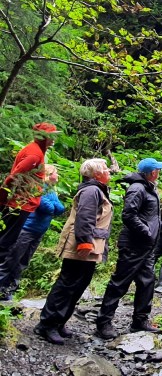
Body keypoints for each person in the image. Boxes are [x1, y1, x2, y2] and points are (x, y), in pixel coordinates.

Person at [34, 158, 113, 345]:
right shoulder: (91, 190)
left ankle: (59, 322)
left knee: (78, 284)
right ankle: (47, 325)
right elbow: (85, 218)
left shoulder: (97, 189)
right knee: (67, 284)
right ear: (96, 174)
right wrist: (85, 243)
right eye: (105, 169)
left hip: (91, 244)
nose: (109, 171)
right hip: (82, 245)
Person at [95, 157, 162, 339]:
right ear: (151, 172)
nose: (159, 172)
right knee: (120, 283)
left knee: (147, 282)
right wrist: (147, 232)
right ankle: (103, 323)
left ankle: (140, 320)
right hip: (134, 244)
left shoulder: (150, 188)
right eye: (157, 169)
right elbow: (128, 215)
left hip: (147, 247)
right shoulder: (137, 188)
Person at [0, 164, 65, 300]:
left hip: (38, 232)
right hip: (26, 230)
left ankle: (9, 291)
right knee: (12, 259)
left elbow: (60, 208)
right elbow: (47, 207)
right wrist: (52, 204)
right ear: (48, 174)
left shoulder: (52, 190)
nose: (58, 175)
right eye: (56, 172)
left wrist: (52, 203)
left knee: (23, 262)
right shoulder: (38, 187)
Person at [0, 122, 60, 261]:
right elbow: (14, 176)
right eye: (50, 136)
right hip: (19, 204)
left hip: (22, 203)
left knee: (6, 241)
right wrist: (3, 198)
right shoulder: (34, 154)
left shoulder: (37, 151)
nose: (53, 140)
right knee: (5, 243)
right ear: (42, 137)